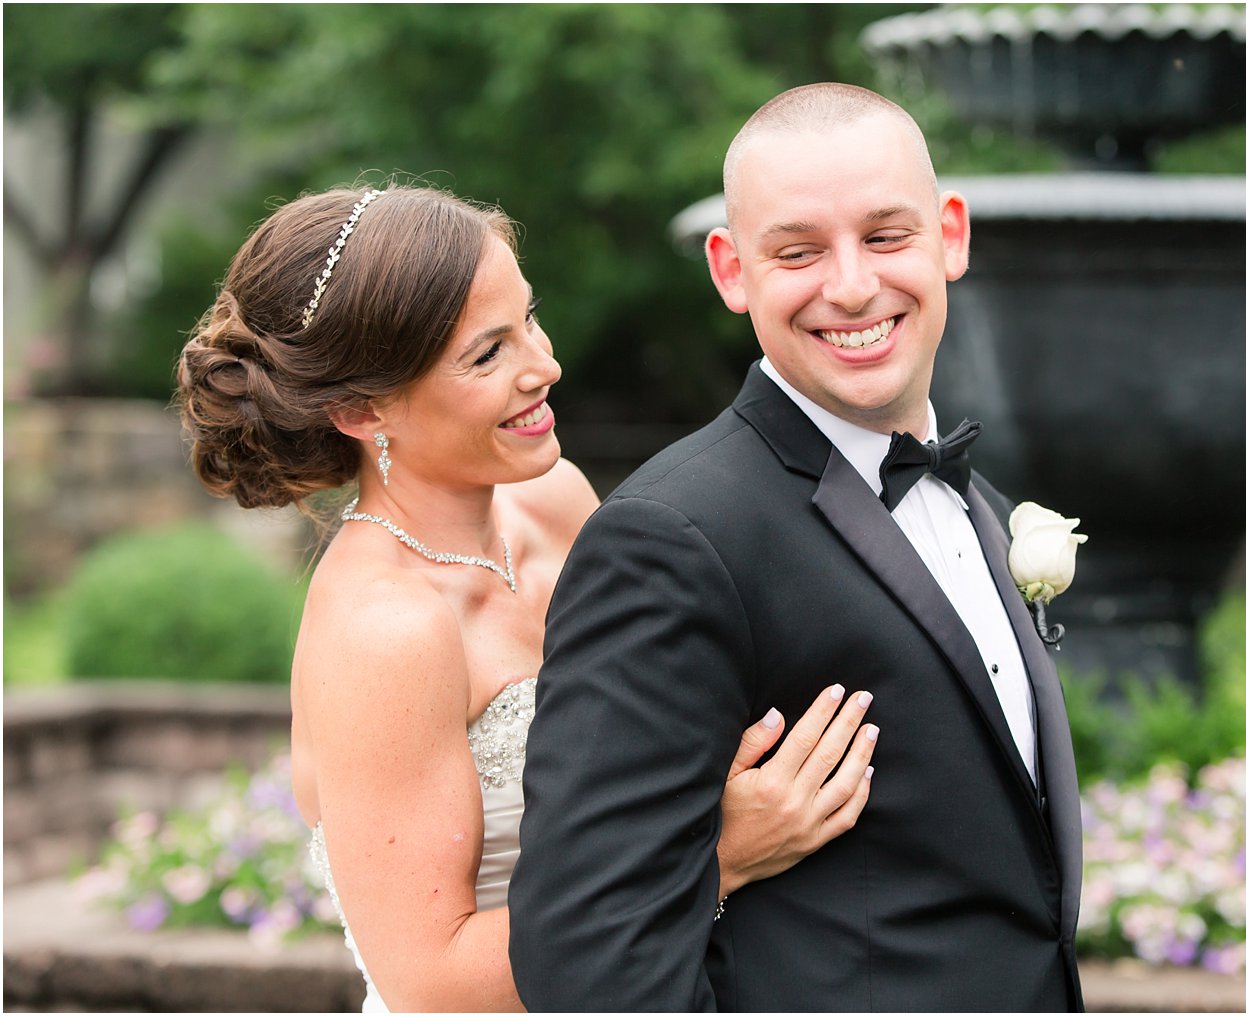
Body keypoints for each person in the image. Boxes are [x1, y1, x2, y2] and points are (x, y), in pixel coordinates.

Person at [174, 182, 881, 1013]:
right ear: (362, 410)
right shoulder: (386, 630)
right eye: (487, 354)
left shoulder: (554, 502)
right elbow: (433, 982)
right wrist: (716, 853)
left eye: (528, 321)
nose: (544, 366)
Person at [509, 82, 1084, 1011]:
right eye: (798, 251)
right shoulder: (672, 538)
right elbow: (585, 959)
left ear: (951, 235)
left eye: (886, 236)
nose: (851, 285)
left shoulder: (981, 505)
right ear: (732, 271)